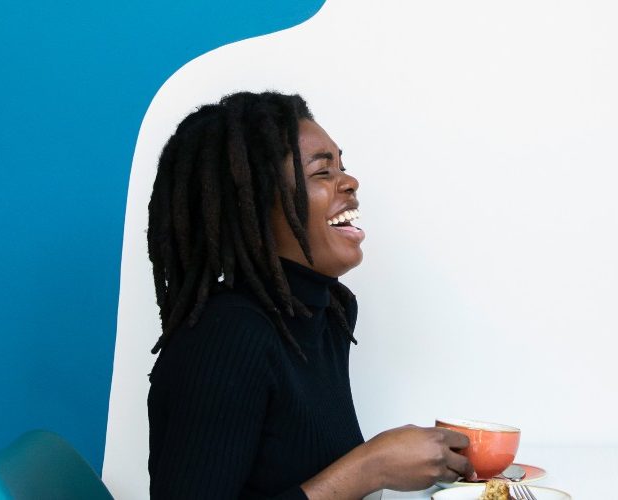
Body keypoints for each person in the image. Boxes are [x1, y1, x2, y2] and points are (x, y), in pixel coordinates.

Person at [146, 91, 472, 499]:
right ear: (259, 201)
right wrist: (371, 466)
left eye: (342, 166)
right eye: (322, 172)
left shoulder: (330, 312)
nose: (350, 182)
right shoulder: (225, 337)